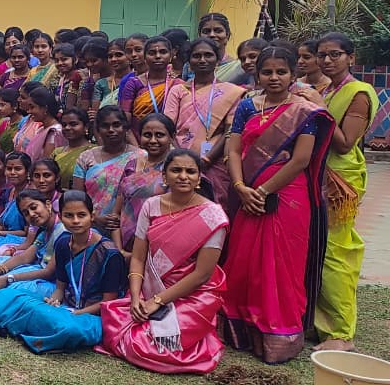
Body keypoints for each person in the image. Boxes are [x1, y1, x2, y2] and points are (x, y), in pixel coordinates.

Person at [221, 45, 334, 363]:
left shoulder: (303, 111)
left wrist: (262, 191)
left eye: (281, 71)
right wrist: (241, 188)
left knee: (281, 264)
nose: (274, 77)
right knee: (244, 261)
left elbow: (301, 160)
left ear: (293, 74)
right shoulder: (247, 106)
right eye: (267, 72)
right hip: (247, 192)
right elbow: (233, 151)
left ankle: (277, 335)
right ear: (257, 75)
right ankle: (242, 331)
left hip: (287, 197)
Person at [96, 149, 229, 375]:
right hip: (150, 286)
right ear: (164, 176)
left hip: (192, 293)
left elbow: (202, 275)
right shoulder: (151, 205)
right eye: (176, 170)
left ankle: (198, 336)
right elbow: (138, 257)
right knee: (115, 329)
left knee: (149, 345)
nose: (183, 176)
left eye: (190, 171)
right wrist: (136, 297)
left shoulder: (213, 216)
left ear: (199, 178)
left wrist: (157, 301)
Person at [0, 190, 124, 353]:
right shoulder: (63, 243)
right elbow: (59, 289)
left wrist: (75, 313)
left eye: (81, 215)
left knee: (68, 328)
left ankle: (32, 327)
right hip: (65, 306)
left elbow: (106, 304)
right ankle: (42, 323)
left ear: (91, 216)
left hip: (91, 316)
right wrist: (53, 301)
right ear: (61, 217)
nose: (75, 221)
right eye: (69, 215)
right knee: (5, 296)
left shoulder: (110, 253)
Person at [315, 32, 380, 351]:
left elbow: (344, 143)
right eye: (322, 55)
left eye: (335, 54)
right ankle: (321, 323)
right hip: (319, 175)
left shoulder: (358, 93)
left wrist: (317, 106)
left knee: (336, 252)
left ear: (351, 58)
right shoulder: (328, 89)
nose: (327, 60)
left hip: (340, 180)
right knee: (320, 249)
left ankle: (341, 333)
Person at [163, 37, 246, 217]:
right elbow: (167, 127)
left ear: (217, 60)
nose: (202, 60)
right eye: (196, 56)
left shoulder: (231, 92)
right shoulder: (178, 90)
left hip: (215, 162)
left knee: (214, 212)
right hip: (179, 160)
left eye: (208, 55)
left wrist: (207, 159)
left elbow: (230, 131)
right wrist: (181, 159)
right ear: (189, 61)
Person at [0, 188, 65, 301]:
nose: (32, 214)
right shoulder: (45, 232)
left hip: (52, 283)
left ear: (48, 205)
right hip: (38, 271)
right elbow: (25, 257)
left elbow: (48, 272)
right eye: (26, 213)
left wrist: (8, 278)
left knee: (14, 288)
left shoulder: (62, 232)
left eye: (34, 207)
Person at [72, 106, 142, 233]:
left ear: (125, 127)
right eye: (105, 126)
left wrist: (121, 218)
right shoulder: (85, 158)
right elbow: (77, 197)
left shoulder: (141, 157)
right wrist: (95, 218)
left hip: (131, 227)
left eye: (116, 125)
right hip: (91, 227)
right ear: (98, 129)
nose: (111, 130)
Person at [115, 114, 176, 255]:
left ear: (172, 137)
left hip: (161, 246)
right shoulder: (132, 165)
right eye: (147, 135)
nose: (153, 140)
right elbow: (116, 214)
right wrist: (120, 251)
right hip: (126, 245)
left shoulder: (178, 168)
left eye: (159, 135)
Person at [119, 36, 178, 135]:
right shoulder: (133, 83)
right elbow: (125, 122)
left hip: (170, 139)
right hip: (138, 138)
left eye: (163, 52)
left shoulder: (178, 85)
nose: (158, 56)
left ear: (171, 55)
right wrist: (136, 144)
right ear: (145, 57)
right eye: (152, 53)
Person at [13, 87, 66, 160]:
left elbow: (46, 162)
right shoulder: (41, 129)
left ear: (45, 108)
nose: (29, 111)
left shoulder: (54, 133)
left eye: (32, 107)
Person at [51, 107, 92, 191]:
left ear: (86, 127)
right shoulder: (57, 152)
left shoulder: (93, 151)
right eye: (64, 125)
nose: (67, 128)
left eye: (73, 124)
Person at [196, 12, 243, 82]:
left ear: (227, 35)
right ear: (199, 36)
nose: (212, 35)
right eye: (206, 31)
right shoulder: (191, 65)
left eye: (218, 31)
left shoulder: (239, 68)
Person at [93, 38, 131, 113]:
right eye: (110, 56)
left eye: (119, 55)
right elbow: (95, 113)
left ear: (129, 56)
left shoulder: (137, 80)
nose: (113, 59)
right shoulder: (101, 84)